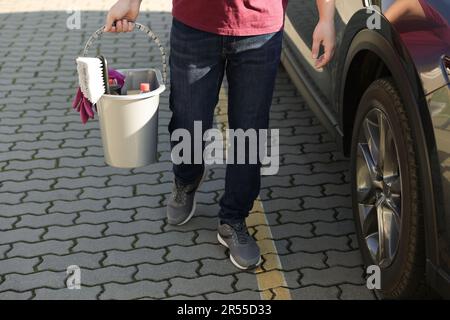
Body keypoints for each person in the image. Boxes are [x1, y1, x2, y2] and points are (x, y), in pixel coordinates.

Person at [105, 0, 336, 270]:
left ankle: (233, 219)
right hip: (195, 25)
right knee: (187, 120)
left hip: (260, 29)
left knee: (249, 132)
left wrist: (326, 18)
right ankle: (186, 179)